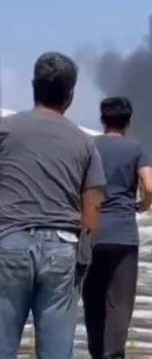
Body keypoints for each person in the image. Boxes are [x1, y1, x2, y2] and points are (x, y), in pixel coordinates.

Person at [0, 52, 106, 359]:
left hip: (9, 245)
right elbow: (93, 207)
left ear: (34, 86)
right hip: (61, 250)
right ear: (70, 96)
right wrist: (83, 255)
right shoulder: (84, 142)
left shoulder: (5, 130)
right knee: (56, 351)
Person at [83, 96, 152, 359]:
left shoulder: (90, 147)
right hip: (124, 236)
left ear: (102, 120)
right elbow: (151, 187)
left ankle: (96, 353)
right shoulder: (136, 149)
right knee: (120, 304)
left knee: (93, 300)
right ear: (128, 122)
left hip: (91, 233)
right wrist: (142, 206)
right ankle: (114, 355)